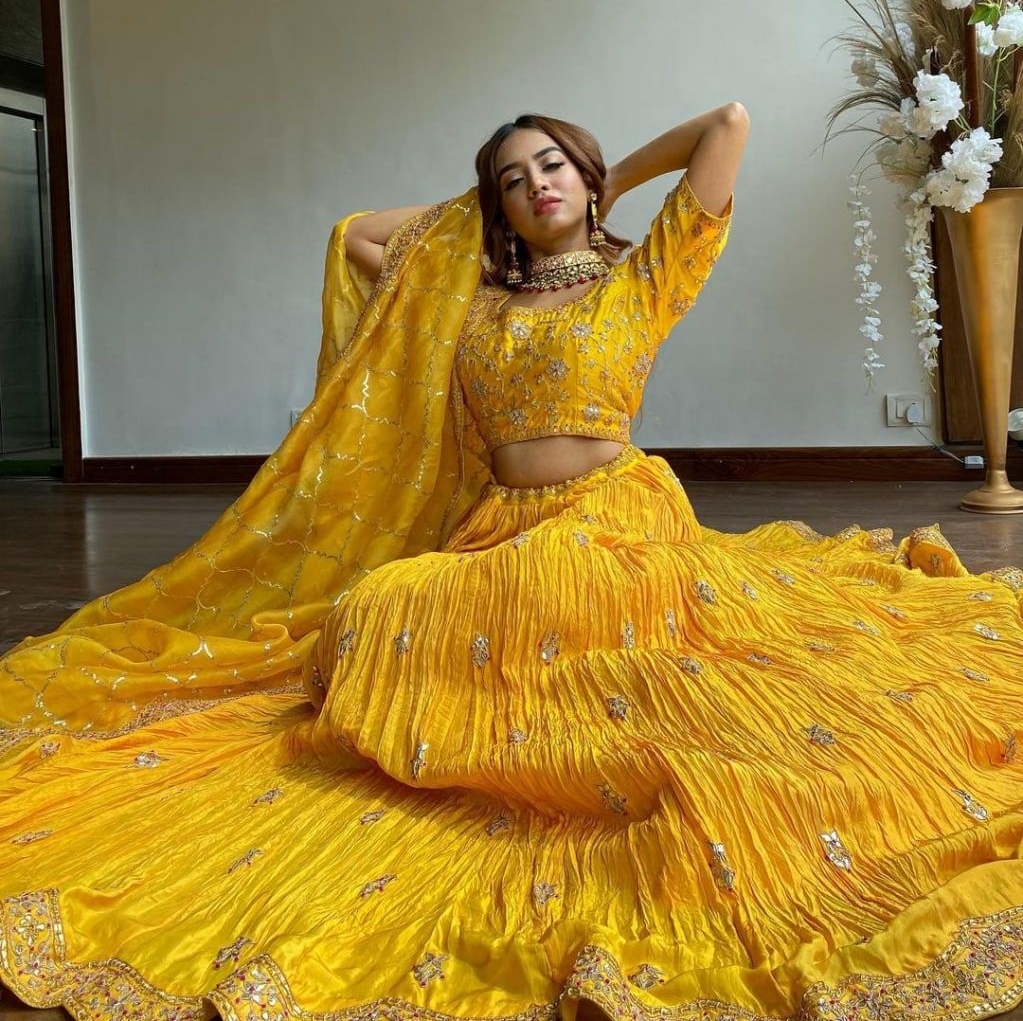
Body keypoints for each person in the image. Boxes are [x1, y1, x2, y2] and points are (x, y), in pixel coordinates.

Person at [1, 107, 1022, 1021]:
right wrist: (478, 210)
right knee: (379, 606)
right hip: (497, 527)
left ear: (586, 173)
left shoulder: (645, 274)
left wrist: (605, 182)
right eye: (512, 179)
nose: (536, 184)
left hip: (614, 524)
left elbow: (726, 125)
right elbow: (357, 235)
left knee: (595, 646)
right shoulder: (468, 296)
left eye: (551, 166)